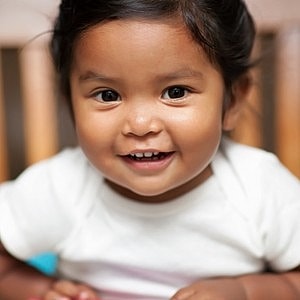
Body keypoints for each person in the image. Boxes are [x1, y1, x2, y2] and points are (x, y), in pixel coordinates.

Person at [0, 0, 300, 299]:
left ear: (233, 100)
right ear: (71, 105)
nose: (141, 124)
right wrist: (41, 291)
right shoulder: (60, 187)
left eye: (176, 92)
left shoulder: (260, 189)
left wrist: (246, 292)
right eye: (107, 95)